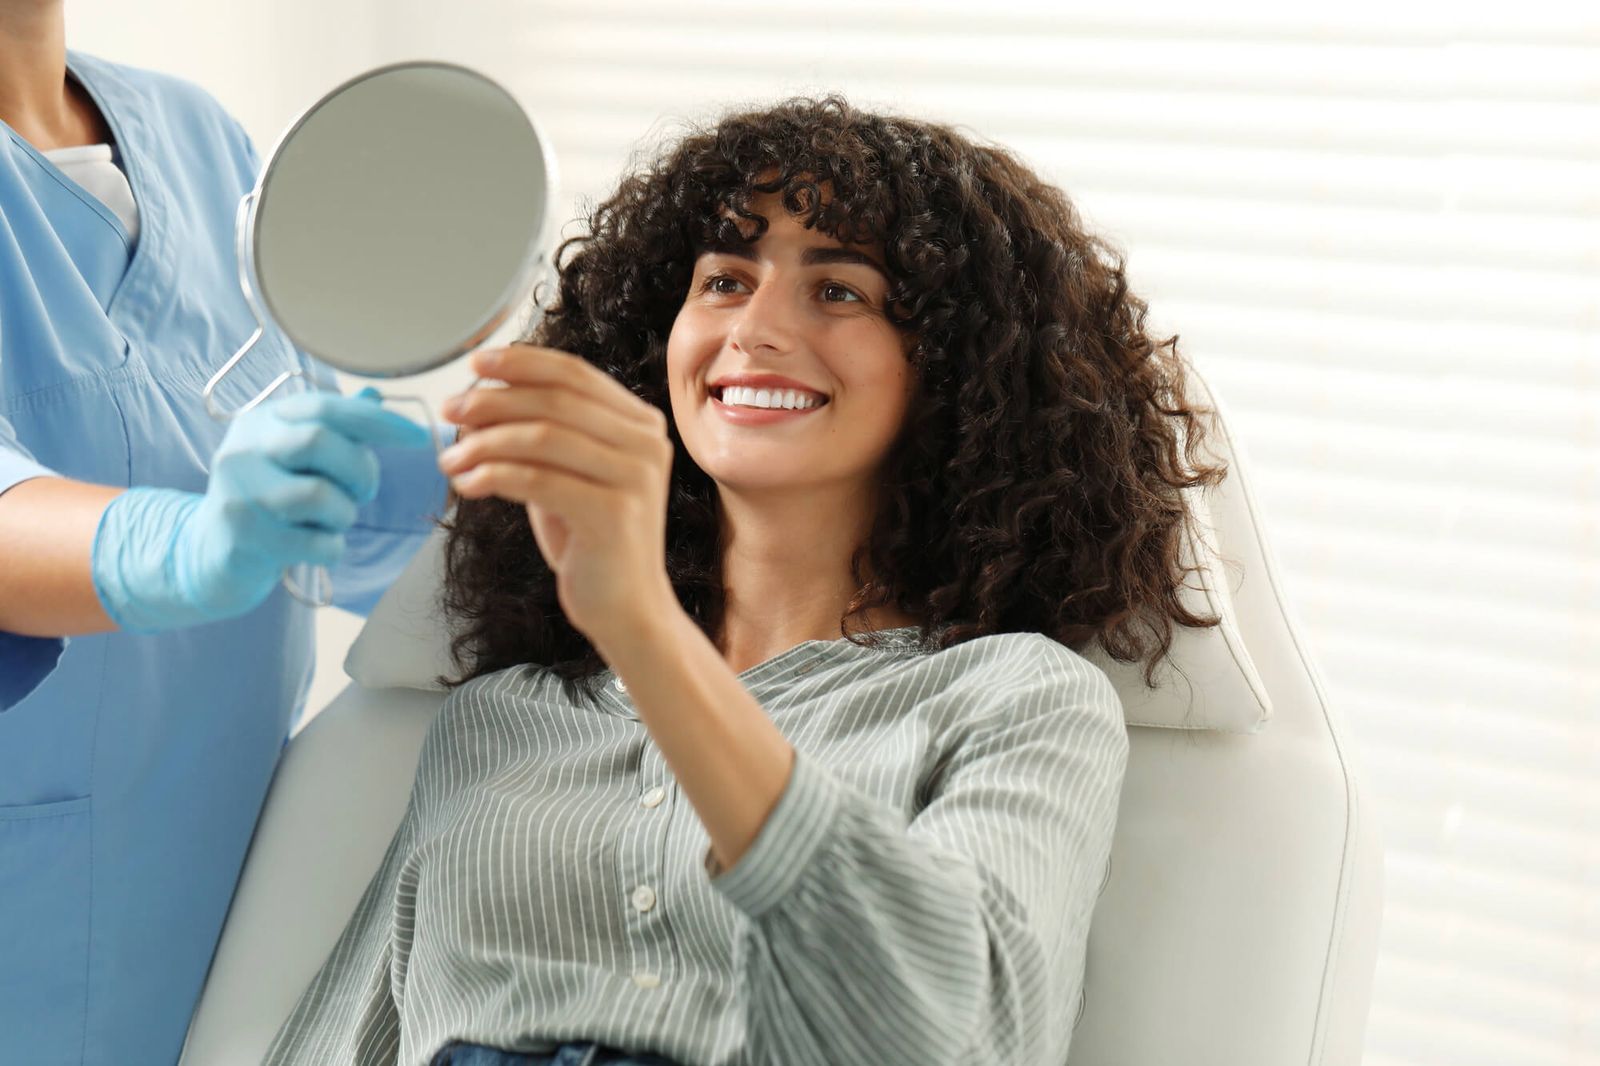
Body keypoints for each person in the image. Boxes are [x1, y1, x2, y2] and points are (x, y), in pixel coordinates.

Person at [264, 94, 1228, 1066]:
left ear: (960, 368)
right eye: (723, 279)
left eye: (840, 291)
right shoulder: (500, 718)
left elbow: (948, 1034)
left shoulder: (1011, 700)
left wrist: (643, 628)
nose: (754, 329)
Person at [0, 8, 451, 1065]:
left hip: (237, 888)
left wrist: (445, 498)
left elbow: (311, 498)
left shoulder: (199, 138)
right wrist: (189, 545)